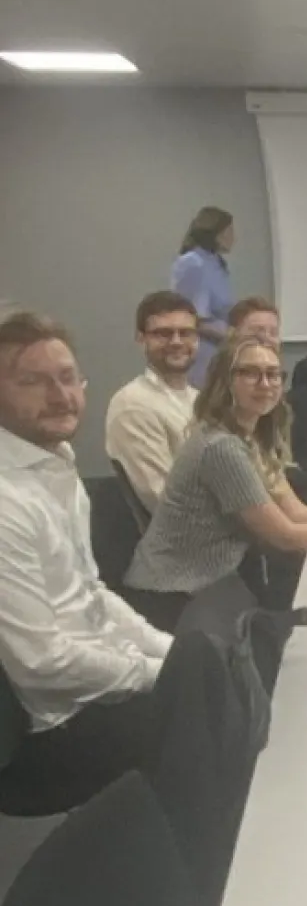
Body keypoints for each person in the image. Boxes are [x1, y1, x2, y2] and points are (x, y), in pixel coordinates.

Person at [0, 312, 178, 806]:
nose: (59, 396)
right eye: (32, 382)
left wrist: (171, 652)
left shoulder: (56, 462)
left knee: (228, 685)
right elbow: (42, 663)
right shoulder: (7, 501)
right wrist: (154, 674)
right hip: (60, 728)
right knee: (224, 735)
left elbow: (91, 594)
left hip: (100, 685)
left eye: (66, 378)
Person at [122, 335, 307, 631]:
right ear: (225, 381)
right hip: (170, 597)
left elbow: (297, 513)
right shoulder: (221, 448)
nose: (265, 383)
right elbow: (286, 536)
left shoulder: (250, 436)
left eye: (273, 374)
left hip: (206, 588)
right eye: (250, 373)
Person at [104, 291, 201, 514]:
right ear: (141, 339)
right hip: (187, 542)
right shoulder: (133, 405)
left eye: (185, 333)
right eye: (163, 334)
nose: (176, 342)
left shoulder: (199, 400)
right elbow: (167, 503)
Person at [170, 206, 235, 387]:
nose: (233, 238)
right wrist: (233, 335)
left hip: (219, 353)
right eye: (228, 231)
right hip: (201, 356)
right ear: (214, 232)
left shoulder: (216, 264)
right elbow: (190, 317)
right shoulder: (192, 263)